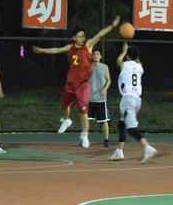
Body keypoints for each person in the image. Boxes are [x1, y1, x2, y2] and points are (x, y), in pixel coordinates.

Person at [33, 17, 121, 148]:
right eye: (79, 36)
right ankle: (66, 120)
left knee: (83, 111)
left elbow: (100, 34)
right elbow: (56, 50)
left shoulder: (88, 45)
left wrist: (112, 26)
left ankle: (84, 135)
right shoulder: (70, 47)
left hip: (83, 85)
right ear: (74, 38)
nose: (82, 38)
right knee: (64, 104)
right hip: (70, 83)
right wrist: (41, 50)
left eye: (83, 36)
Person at [109, 43, 157, 163]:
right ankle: (119, 151)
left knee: (130, 129)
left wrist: (124, 51)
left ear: (127, 56)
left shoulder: (125, 65)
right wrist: (133, 54)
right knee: (122, 124)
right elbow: (137, 61)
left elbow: (118, 60)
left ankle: (147, 147)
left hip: (128, 100)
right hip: (137, 100)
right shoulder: (140, 67)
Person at [88, 49, 112, 147]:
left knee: (103, 121)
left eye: (98, 54)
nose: (96, 55)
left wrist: (104, 89)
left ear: (100, 56)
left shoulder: (104, 67)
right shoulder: (88, 67)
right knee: (85, 120)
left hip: (101, 99)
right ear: (91, 56)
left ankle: (106, 140)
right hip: (89, 98)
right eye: (94, 54)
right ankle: (84, 139)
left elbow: (109, 80)